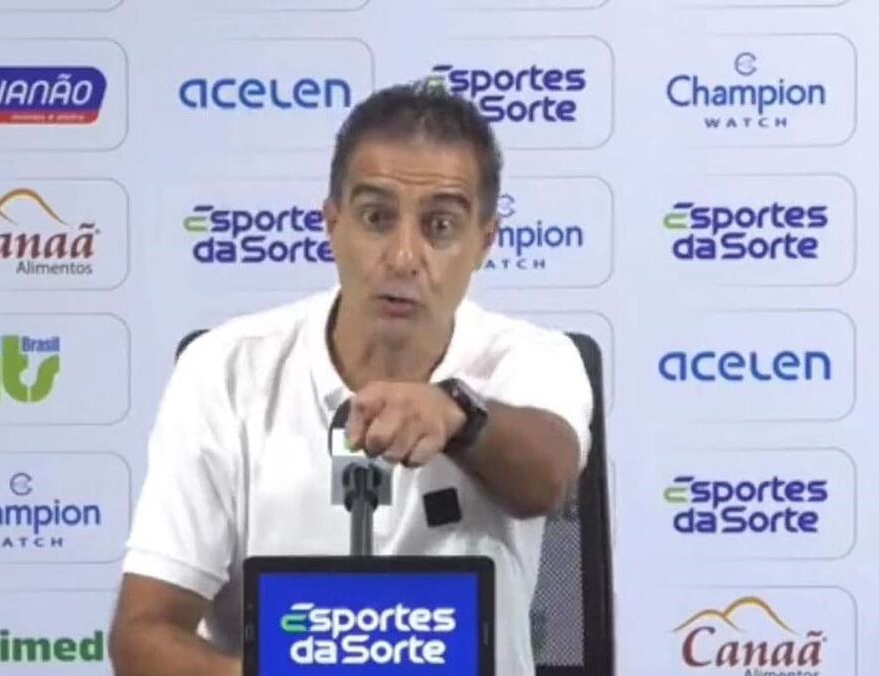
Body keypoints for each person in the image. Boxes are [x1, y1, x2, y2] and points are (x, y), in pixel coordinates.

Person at [108, 81, 594, 676]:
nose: (404, 256)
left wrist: (459, 416)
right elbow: (144, 634)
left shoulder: (531, 358)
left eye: (441, 226)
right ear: (332, 223)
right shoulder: (225, 370)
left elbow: (547, 478)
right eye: (376, 218)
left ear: (483, 243)